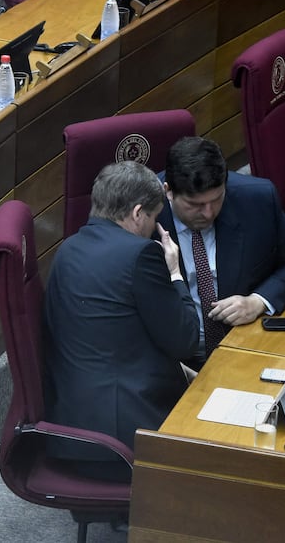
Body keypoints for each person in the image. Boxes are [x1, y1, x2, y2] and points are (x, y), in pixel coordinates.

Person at [43, 161, 200, 483]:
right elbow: (185, 340)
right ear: (138, 213)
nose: (153, 226)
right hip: (122, 442)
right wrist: (174, 273)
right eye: (154, 218)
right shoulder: (141, 254)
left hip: (72, 430)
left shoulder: (68, 249)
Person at [157, 136, 285, 369]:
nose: (208, 213)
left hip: (245, 346)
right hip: (174, 364)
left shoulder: (256, 199)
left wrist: (257, 302)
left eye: (216, 199)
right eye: (195, 205)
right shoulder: (143, 216)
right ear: (168, 191)